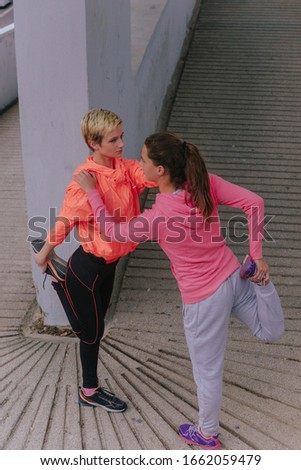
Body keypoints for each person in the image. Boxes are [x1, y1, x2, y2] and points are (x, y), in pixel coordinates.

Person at [74, 131, 285, 450]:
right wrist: (256, 254)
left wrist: (91, 192)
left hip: (204, 299)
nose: (138, 163)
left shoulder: (160, 216)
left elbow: (112, 231)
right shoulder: (203, 182)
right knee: (269, 332)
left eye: (143, 160)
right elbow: (254, 203)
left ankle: (207, 434)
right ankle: (262, 282)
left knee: (207, 372)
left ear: (160, 170)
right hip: (233, 277)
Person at [34, 108, 156, 412]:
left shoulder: (124, 167)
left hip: (109, 266)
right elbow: (65, 221)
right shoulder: (84, 181)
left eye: (121, 136)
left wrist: (172, 167)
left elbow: (148, 177)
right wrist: (42, 253)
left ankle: (61, 281)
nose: (121, 144)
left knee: (95, 322)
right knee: (92, 334)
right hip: (88, 268)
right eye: (113, 139)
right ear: (94, 143)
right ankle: (89, 391)